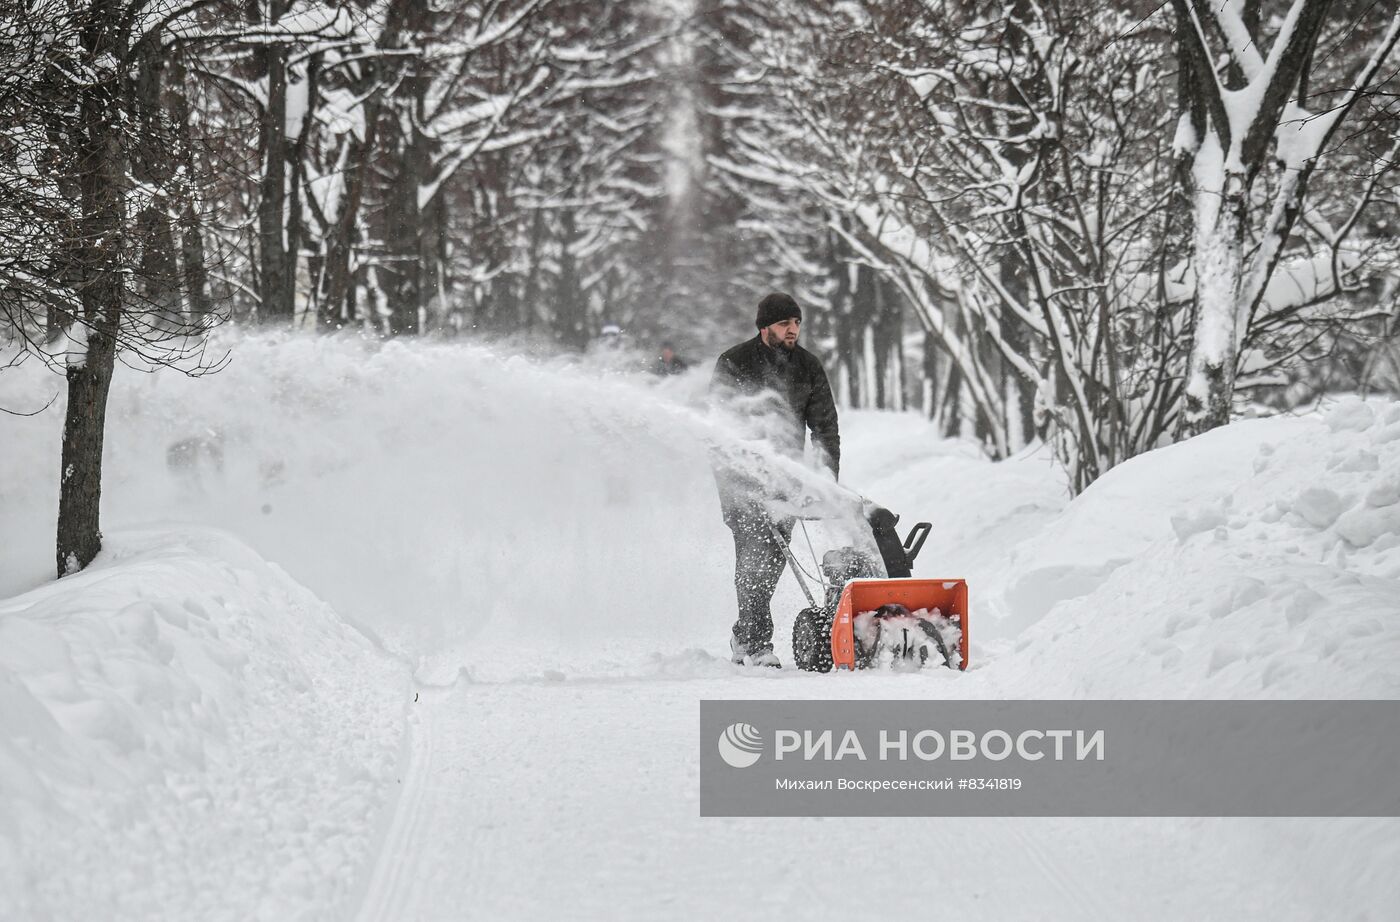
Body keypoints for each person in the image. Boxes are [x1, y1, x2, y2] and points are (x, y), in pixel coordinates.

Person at [709, 292, 840, 667]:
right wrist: (745, 464)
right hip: (738, 478)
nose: (793, 330)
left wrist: (826, 477)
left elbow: (825, 428)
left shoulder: (808, 366)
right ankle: (758, 646)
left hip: (786, 478)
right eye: (785, 323)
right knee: (753, 556)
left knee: (774, 560)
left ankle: (742, 634)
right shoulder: (735, 362)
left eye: (797, 323)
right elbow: (720, 422)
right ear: (765, 326)